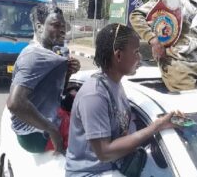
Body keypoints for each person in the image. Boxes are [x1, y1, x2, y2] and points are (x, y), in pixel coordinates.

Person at [65, 23, 183, 177]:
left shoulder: (115, 83)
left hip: (116, 165)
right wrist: (155, 127)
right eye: (136, 52)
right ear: (119, 55)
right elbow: (104, 153)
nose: (140, 57)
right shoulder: (94, 95)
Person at [6, 3, 80, 154]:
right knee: (97, 139)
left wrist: (67, 73)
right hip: (35, 135)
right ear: (39, 27)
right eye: (55, 25)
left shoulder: (49, 53)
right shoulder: (34, 55)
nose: (62, 30)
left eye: (63, 26)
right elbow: (15, 103)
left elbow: (55, 92)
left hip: (42, 124)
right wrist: (52, 130)